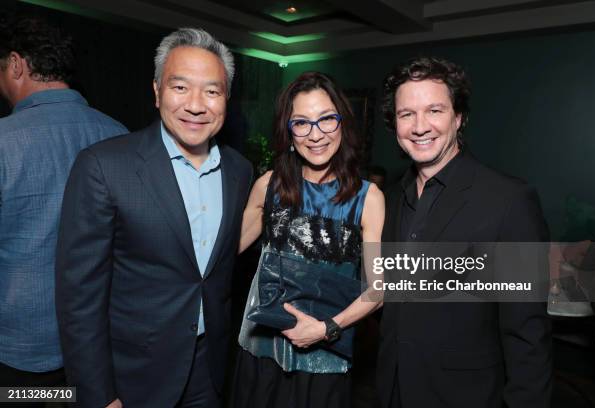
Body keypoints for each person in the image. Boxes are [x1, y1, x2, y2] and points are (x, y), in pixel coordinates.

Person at [55, 28, 252, 408]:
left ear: (226, 99)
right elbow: (79, 299)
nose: (196, 105)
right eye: (180, 87)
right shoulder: (103, 166)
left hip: (208, 370)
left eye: (212, 91)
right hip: (131, 376)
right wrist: (98, 396)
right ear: (157, 90)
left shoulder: (239, 170)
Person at [377, 57, 552, 408]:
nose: (419, 126)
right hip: (393, 390)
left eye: (435, 110)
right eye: (406, 114)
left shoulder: (509, 200)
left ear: (458, 118)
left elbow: (527, 336)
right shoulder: (392, 198)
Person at [232, 71, 384, 408]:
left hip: (324, 360)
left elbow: (379, 290)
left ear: (342, 124)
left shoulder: (368, 198)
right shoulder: (268, 186)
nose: (316, 135)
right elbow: (221, 253)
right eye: (302, 123)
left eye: (326, 120)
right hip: (262, 353)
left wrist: (327, 328)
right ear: (289, 132)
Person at [0, 14, 126, 394]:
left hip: (17, 345)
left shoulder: (3, 141)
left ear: (17, 64)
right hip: (96, 342)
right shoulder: (119, 135)